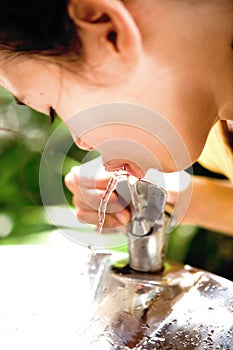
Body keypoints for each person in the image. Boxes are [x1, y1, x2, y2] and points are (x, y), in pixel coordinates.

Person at [0, 0, 232, 235]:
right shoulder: (205, 111)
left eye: (52, 109)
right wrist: (167, 196)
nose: (82, 142)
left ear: (108, 31)